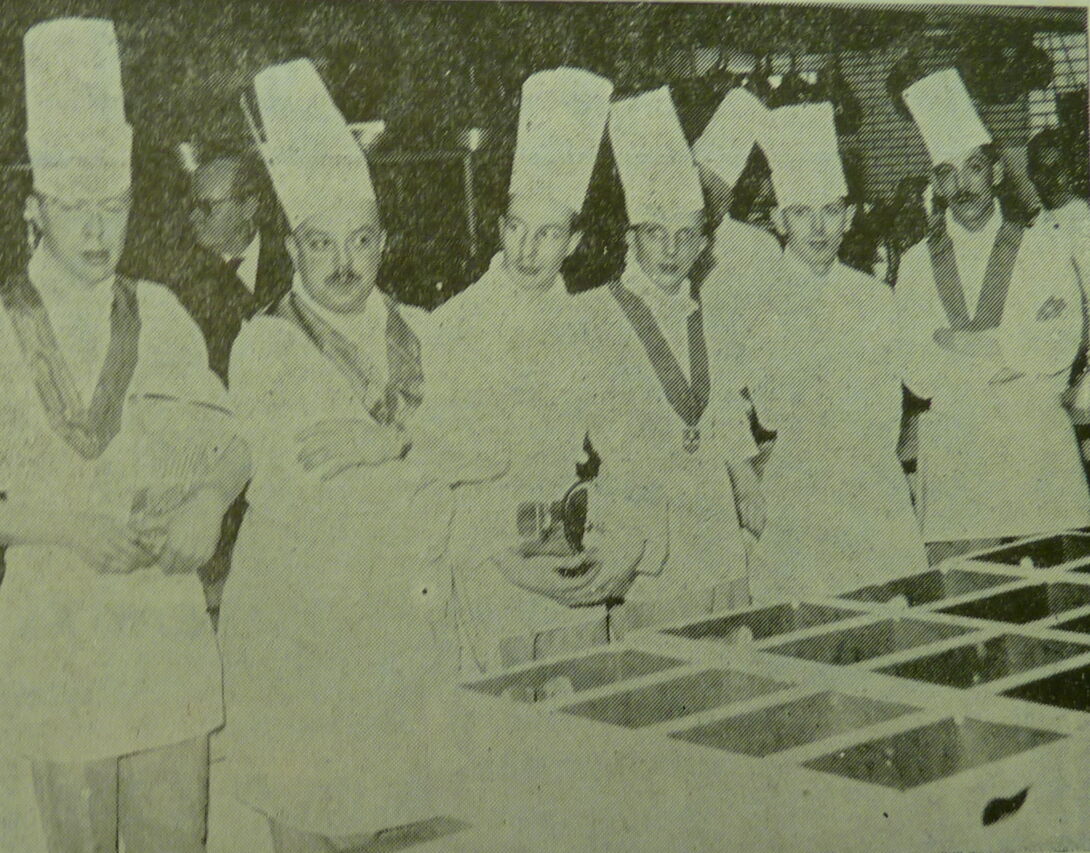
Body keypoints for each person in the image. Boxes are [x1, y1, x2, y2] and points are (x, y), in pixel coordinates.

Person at [0, 18, 250, 852]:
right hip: (57, 629)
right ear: (34, 210)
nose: (97, 231)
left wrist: (207, 502)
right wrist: (62, 527)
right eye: (75, 209)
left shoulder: (162, 315)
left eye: (113, 207)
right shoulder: (3, 329)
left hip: (162, 630)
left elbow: (234, 442)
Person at [220, 58, 476, 852]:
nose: (343, 263)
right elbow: (304, 480)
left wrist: (391, 444)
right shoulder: (266, 345)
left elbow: (485, 448)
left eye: (360, 241)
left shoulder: (424, 331)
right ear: (291, 247)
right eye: (321, 243)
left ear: (383, 243)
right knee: (310, 821)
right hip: (302, 627)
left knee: (397, 824)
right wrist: (423, 456)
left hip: (402, 626)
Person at [425, 67, 639, 672]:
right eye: (516, 229)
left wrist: (621, 542)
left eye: (547, 234)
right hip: (487, 568)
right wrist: (502, 556)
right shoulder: (452, 325)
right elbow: (437, 471)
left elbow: (623, 448)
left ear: (574, 240)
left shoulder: (591, 324)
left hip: (571, 562)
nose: (526, 250)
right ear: (499, 228)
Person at [574, 86, 764, 635]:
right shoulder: (592, 313)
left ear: (704, 243)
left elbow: (724, 408)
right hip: (641, 535)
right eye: (655, 234)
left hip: (714, 524)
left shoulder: (712, 309)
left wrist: (745, 479)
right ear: (631, 237)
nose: (671, 251)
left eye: (686, 236)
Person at [895, 70, 1090, 563]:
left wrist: (963, 342)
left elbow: (1061, 343)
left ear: (997, 172)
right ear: (936, 183)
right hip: (958, 463)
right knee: (966, 596)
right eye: (947, 173)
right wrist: (1015, 348)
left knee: (1058, 599)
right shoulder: (917, 263)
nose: (962, 185)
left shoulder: (1043, 245)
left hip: (1036, 452)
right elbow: (916, 371)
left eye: (974, 168)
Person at [737, 102, 928, 602]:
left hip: (875, 485)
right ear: (779, 220)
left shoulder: (875, 296)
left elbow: (906, 391)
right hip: (802, 490)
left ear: (849, 217)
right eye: (802, 212)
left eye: (830, 211)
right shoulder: (760, 301)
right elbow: (766, 410)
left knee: (890, 621)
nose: (818, 228)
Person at [171, 145, 293, 383]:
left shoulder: (294, 261)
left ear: (248, 207)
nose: (193, 217)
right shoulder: (180, 279)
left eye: (206, 207)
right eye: (192, 206)